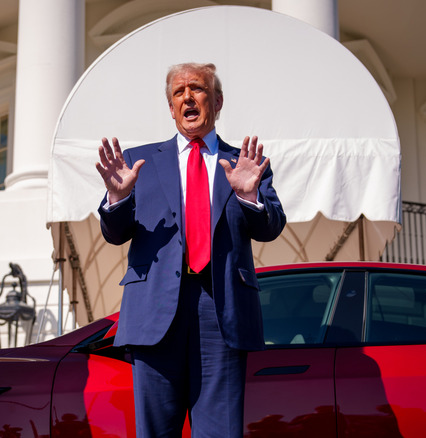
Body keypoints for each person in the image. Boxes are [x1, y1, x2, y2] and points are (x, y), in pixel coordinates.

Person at [96, 62, 286, 437]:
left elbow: (271, 227)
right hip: (154, 312)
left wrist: (249, 196)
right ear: (170, 108)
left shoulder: (245, 162)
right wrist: (117, 198)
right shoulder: (139, 162)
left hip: (222, 312)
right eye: (178, 93)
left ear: (216, 101)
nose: (187, 97)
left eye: (197, 89)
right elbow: (115, 234)